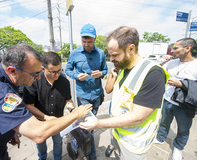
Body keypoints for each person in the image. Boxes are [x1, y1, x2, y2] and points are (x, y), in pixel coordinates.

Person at [0, 43, 92, 159]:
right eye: (34, 73)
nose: (38, 77)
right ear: (12, 70)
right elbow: (38, 133)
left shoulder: (5, 77)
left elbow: (1, 113)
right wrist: (76, 114)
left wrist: (11, 130)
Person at [79, 26, 170, 160]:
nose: (111, 59)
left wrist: (98, 123)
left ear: (131, 48)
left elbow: (138, 117)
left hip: (133, 145)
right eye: (110, 54)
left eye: (115, 55)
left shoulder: (153, 73)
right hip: (118, 134)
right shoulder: (123, 67)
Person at [154, 38, 197, 160]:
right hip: (168, 100)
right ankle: (160, 138)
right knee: (164, 122)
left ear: (187, 48)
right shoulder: (171, 63)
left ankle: (178, 147)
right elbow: (157, 71)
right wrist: (163, 59)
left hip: (186, 104)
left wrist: (182, 84)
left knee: (183, 128)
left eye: (176, 48)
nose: (172, 51)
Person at [65, 23, 108, 160]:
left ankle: (86, 148)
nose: (87, 44)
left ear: (95, 38)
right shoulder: (74, 53)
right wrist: (76, 76)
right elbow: (67, 70)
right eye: (84, 41)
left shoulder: (100, 53)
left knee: (92, 121)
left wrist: (100, 74)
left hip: (96, 94)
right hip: (82, 95)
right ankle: (91, 154)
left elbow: (106, 70)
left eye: (89, 41)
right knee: (88, 123)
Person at [23, 51, 75, 160]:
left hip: (57, 120)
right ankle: (42, 157)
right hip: (39, 122)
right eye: (53, 72)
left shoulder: (64, 82)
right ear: (43, 69)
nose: (57, 74)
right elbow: (29, 106)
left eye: (59, 70)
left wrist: (72, 109)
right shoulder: (33, 81)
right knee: (41, 143)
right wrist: (46, 118)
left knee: (58, 142)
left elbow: (68, 100)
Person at [104, 67, 119, 157]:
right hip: (114, 103)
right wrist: (114, 76)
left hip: (128, 105)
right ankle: (112, 143)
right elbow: (108, 89)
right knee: (113, 125)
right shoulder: (114, 71)